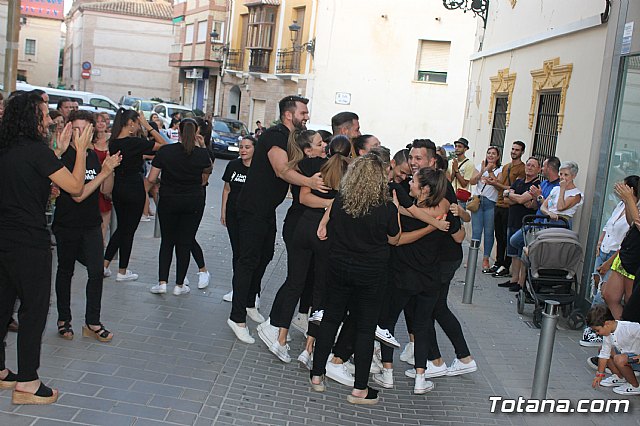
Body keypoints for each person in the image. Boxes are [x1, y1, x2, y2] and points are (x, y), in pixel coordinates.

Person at [0, 91, 93, 405]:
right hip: (28, 242)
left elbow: (30, 177)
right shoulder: (36, 152)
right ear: (31, 118)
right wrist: (79, 151)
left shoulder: (7, 148)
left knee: (2, 306)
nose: (49, 119)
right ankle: (27, 381)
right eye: (43, 114)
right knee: (33, 310)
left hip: (3, 238)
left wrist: (58, 150)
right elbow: (76, 187)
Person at [226, 95, 328, 344]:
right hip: (252, 208)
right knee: (248, 261)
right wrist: (309, 182)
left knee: (265, 256)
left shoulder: (291, 138)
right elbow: (281, 169)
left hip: (265, 210)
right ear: (288, 114)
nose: (307, 116)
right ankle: (237, 317)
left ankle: (250, 303)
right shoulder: (275, 136)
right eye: (303, 113)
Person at [310, 153, 401, 405]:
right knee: (364, 327)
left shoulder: (340, 201)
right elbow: (394, 238)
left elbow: (329, 229)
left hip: (339, 268)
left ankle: (317, 375)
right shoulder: (386, 208)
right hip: (371, 274)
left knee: (330, 319)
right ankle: (360, 389)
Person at [258, 134, 346, 365]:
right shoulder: (349, 172)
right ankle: (308, 348)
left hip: (303, 226)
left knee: (295, 282)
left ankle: (281, 338)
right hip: (324, 232)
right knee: (319, 289)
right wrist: (333, 206)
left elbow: (304, 198)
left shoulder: (309, 165)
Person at [374, 168, 449, 393]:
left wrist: (400, 212)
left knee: (387, 323)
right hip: (430, 278)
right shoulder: (441, 209)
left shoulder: (405, 211)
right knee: (423, 326)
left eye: (414, 181)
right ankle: (420, 378)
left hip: (402, 276)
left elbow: (396, 240)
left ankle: (387, 374)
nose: (409, 183)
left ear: (425, 188)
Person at [53, 110, 122, 342]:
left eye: (84, 129)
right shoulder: (65, 156)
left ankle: (92, 321)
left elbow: (105, 190)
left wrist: (109, 169)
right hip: (67, 224)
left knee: (96, 271)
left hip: (91, 224)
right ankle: (64, 319)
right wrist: (103, 173)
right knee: (65, 271)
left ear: (92, 131)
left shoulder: (92, 155)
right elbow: (78, 194)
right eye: (75, 129)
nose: (79, 134)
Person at [148, 118, 212, 295]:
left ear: (178, 131)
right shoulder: (201, 154)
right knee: (185, 242)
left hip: (168, 199)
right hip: (193, 200)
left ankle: (162, 282)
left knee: (167, 242)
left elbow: (152, 178)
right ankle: (179, 285)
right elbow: (207, 172)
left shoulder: (166, 151)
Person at [103, 108, 167, 281]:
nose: (140, 127)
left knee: (121, 228)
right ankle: (122, 271)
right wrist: (150, 127)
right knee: (128, 230)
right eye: (138, 124)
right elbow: (165, 146)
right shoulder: (134, 142)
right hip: (134, 188)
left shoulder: (114, 142)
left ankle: (105, 264)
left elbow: (138, 154)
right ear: (130, 124)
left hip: (119, 187)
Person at [579, 176, 636, 347]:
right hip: (619, 254)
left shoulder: (634, 206)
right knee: (607, 293)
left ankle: (605, 332)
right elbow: (610, 225)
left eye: (625, 187)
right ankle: (616, 337)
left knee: (627, 302)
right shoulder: (621, 205)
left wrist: (630, 201)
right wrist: (599, 242)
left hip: (626, 257)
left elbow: (635, 223)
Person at [221, 136, 257, 302]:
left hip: (251, 217)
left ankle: (252, 292)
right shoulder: (233, 165)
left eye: (247, 147)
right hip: (233, 214)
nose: (243, 150)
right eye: (241, 147)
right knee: (237, 252)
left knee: (249, 254)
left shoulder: (259, 168)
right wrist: (223, 212)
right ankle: (237, 288)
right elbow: (227, 189)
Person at [499, 157, 541, 292]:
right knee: (512, 253)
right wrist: (519, 199)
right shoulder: (518, 182)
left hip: (525, 223)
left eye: (533, 166)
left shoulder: (537, 185)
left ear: (539, 169)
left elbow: (531, 204)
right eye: (528, 164)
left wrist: (514, 196)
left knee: (522, 254)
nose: (529, 167)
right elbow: (507, 200)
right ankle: (514, 279)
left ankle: (521, 283)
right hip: (512, 220)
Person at [601, 178, 640, 319]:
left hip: (635, 258)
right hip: (626, 251)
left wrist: (629, 199)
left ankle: (627, 333)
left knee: (630, 302)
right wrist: (629, 202)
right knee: (609, 294)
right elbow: (632, 222)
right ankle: (620, 331)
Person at [487, 141, 526, 277]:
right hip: (499, 204)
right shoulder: (506, 167)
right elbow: (501, 185)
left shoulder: (522, 169)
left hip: (510, 206)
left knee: (506, 236)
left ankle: (506, 265)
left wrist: (500, 186)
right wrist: (493, 180)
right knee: (499, 236)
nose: (514, 152)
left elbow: (515, 189)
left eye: (517, 150)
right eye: (513, 149)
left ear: (522, 152)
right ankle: (498, 262)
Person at [588, 304, 640, 395]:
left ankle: (635, 386)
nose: (597, 333)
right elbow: (604, 355)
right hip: (629, 357)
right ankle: (620, 377)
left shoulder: (629, 327)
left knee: (619, 359)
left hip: (637, 360)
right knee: (603, 350)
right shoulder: (608, 333)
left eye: (597, 330)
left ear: (607, 324)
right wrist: (599, 374)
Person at [469, 146, 503, 271]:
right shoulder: (479, 167)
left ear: (498, 156)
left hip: (491, 203)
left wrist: (489, 171)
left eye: (494, 153)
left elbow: (498, 185)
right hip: (478, 201)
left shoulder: (500, 169)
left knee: (489, 232)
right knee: (476, 231)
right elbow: (472, 181)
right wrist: (482, 171)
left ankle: (486, 259)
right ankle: (472, 257)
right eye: (489, 153)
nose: (491, 155)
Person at [540, 161, 583, 228]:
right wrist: (549, 213)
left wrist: (562, 189)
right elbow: (543, 207)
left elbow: (560, 207)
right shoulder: (555, 189)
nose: (562, 177)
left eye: (566, 175)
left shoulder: (576, 194)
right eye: (561, 174)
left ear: (573, 176)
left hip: (561, 223)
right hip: (548, 221)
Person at [93, 112, 113, 245]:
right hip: (92, 180)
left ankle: (101, 242)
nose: (100, 123)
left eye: (103, 121)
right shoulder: (89, 140)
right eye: (97, 121)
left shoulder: (112, 140)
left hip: (107, 181)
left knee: (106, 214)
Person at [448, 138, 474, 208]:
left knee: (460, 218)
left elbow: (464, 184)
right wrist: (453, 172)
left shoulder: (469, 164)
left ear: (465, 149)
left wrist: (456, 170)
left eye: (459, 147)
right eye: (456, 146)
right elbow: (449, 180)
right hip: (450, 195)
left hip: (460, 198)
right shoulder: (450, 162)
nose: (456, 148)